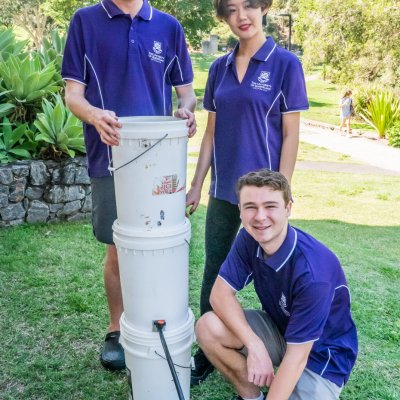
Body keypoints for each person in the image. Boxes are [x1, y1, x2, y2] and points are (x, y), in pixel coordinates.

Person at [61, 0, 196, 371]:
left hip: (159, 160)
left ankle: (151, 321)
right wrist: (94, 115)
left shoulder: (168, 26)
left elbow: (186, 92)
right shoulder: (85, 21)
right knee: (119, 248)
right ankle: (116, 329)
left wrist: (186, 110)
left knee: (157, 244)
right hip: (109, 155)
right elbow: (73, 93)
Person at [186, 0, 308, 384]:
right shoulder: (219, 67)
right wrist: (195, 185)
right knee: (215, 270)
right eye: (232, 9)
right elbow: (210, 134)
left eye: (250, 6)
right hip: (225, 193)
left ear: (264, 9)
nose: (242, 16)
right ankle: (207, 351)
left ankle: (289, 348)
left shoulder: (286, 64)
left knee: (279, 272)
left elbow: (290, 134)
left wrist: (281, 194)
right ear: (223, 16)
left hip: (263, 200)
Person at [195, 169, 358, 400]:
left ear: (288, 208)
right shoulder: (249, 238)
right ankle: (252, 397)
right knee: (208, 327)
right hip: (281, 330)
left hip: (320, 355)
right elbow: (219, 295)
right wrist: (255, 345)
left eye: (270, 206)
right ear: (240, 211)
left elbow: (297, 357)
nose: (260, 217)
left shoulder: (313, 273)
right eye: (250, 206)